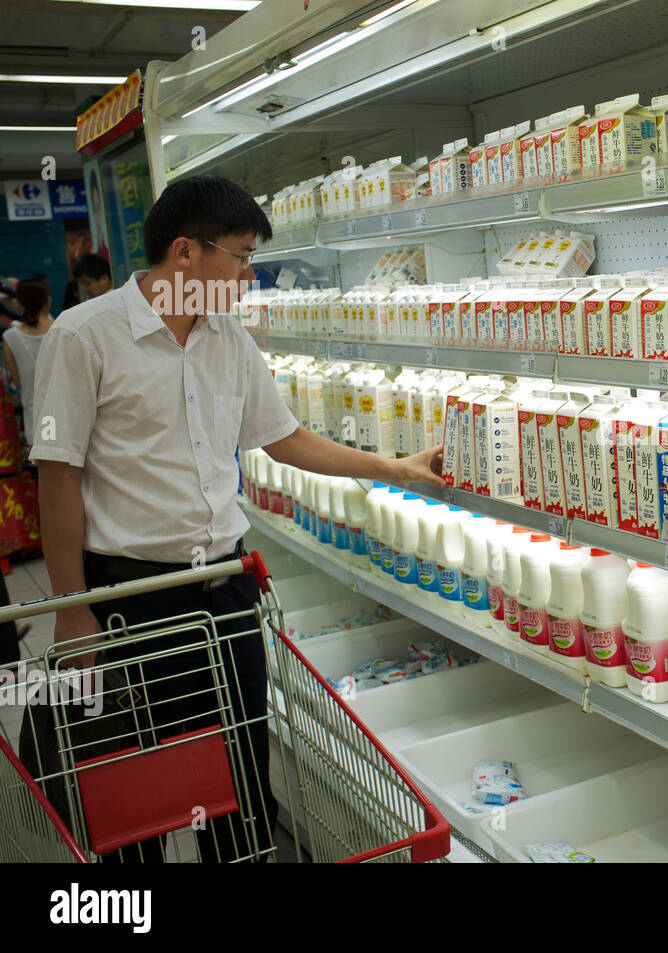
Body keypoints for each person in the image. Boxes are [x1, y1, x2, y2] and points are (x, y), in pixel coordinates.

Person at [30, 174, 444, 861]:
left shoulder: (229, 340)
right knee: (138, 785)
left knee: (237, 768)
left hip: (224, 587)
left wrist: (396, 469)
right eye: (242, 256)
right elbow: (58, 475)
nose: (249, 275)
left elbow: (284, 439)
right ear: (186, 253)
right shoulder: (85, 336)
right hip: (130, 596)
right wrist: (73, 609)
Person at [4, 276, 55, 447]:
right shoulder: (62, 328)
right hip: (67, 413)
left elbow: (17, 381)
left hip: (35, 417)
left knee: (44, 470)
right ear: (47, 300)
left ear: (18, 303)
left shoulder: (10, 337)